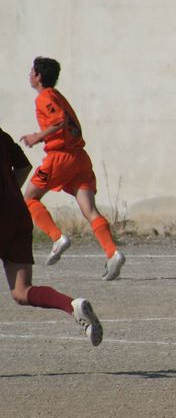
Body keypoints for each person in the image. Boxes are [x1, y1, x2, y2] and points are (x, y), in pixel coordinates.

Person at [20, 57, 126, 281]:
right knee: (89, 209)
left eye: (31, 71)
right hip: (79, 158)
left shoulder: (44, 97)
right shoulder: (57, 96)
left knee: (29, 198)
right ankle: (112, 253)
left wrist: (37, 137)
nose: (29, 74)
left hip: (60, 157)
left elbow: (58, 121)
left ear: (38, 76)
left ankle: (57, 238)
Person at [2, 124, 103, 346]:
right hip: (17, 213)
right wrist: (9, 194)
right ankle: (72, 306)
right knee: (21, 291)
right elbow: (24, 166)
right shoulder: (3, 136)